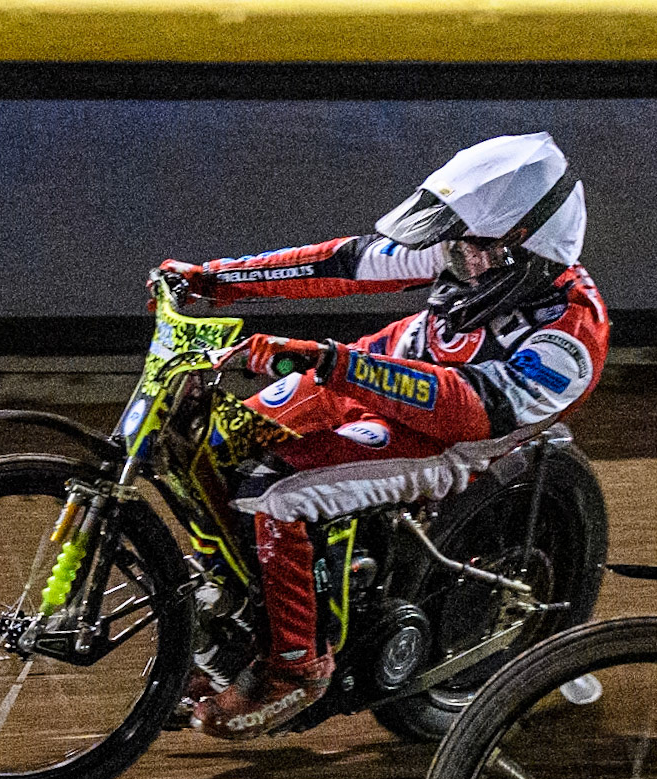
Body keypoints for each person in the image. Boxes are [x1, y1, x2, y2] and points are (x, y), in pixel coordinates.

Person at [158, 131, 609, 739]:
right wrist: (213, 281)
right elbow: (343, 263)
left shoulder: (570, 340)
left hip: (444, 442)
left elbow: (462, 409)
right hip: (372, 376)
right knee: (215, 446)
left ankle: (297, 668)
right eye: (455, 243)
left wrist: (330, 360)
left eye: (474, 248)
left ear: (529, 248)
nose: (458, 260)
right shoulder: (474, 246)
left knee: (275, 493)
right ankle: (242, 622)